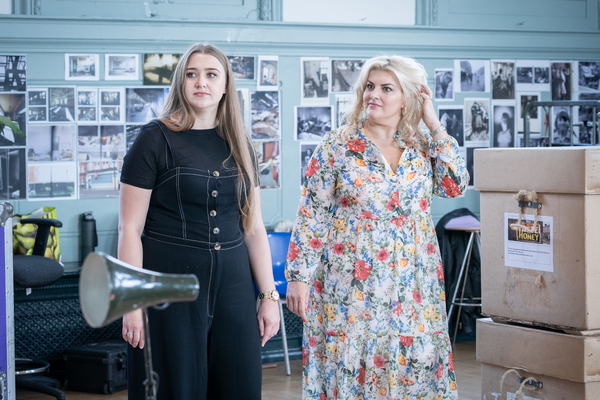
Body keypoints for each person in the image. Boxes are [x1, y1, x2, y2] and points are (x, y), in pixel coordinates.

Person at [285, 55, 469, 399]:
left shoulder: (422, 147)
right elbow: (312, 214)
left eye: (387, 88)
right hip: (352, 286)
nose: (374, 94)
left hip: (414, 286)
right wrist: (298, 277)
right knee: (354, 368)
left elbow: (455, 185)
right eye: (370, 86)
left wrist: (434, 124)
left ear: (410, 97)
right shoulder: (337, 146)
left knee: (414, 366)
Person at [118, 43, 280, 400]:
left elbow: (253, 227)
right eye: (191, 74)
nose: (200, 82)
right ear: (180, 83)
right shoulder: (153, 138)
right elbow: (129, 228)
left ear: (225, 86)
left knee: (239, 388)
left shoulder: (241, 144)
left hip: (234, 289)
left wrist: (269, 296)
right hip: (167, 287)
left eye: (211, 74)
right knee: (172, 390)